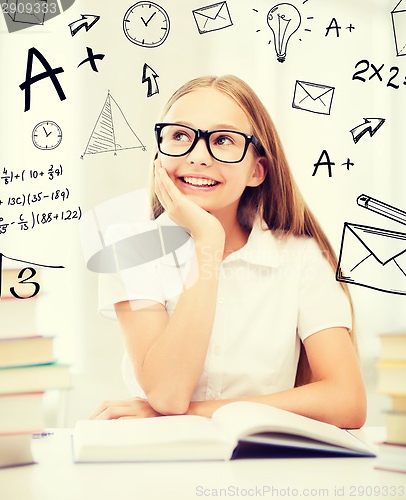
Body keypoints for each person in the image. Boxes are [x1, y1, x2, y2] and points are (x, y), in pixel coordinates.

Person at [92, 75, 366, 428]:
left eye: (222, 140)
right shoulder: (129, 249)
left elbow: (347, 400)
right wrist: (207, 240)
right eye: (179, 136)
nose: (198, 157)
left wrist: (196, 413)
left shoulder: (301, 256)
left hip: (261, 464)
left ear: (257, 170)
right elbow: (167, 392)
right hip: (160, 462)